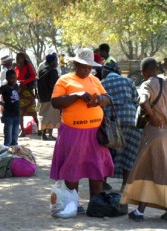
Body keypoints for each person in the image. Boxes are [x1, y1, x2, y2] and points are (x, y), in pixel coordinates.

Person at [50, 48, 114, 210]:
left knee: (96, 168)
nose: (85, 70)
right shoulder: (64, 80)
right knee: (73, 168)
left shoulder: (94, 80)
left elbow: (108, 99)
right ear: (75, 65)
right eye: (82, 66)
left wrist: (99, 99)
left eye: (88, 67)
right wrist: (76, 96)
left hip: (95, 133)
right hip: (73, 132)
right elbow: (56, 103)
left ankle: (96, 203)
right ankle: (73, 203)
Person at [121, 57, 167, 222]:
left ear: (144, 72)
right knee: (162, 171)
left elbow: (142, 101)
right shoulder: (165, 83)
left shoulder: (148, 84)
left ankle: (140, 212)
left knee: (147, 171)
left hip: (154, 133)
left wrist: (153, 116)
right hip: (166, 133)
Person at [101, 61, 141, 192]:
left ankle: (104, 183)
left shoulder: (102, 84)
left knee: (109, 151)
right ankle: (125, 185)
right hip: (131, 119)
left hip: (112, 122)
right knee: (129, 152)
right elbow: (136, 100)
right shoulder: (128, 81)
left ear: (106, 72)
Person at [0, 70, 20, 146]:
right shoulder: (4, 88)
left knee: (15, 136)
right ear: (7, 78)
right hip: (8, 115)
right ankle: (6, 154)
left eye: (15, 78)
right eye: (11, 78)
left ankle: (13, 154)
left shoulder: (16, 86)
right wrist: (2, 103)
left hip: (17, 115)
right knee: (8, 137)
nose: (13, 80)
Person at [14, 52, 40, 137]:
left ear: (24, 58)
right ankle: (23, 131)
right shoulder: (16, 68)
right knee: (20, 112)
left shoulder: (28, 66)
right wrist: (18, 82)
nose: (18, 59)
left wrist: (24, 82)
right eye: (17, 58)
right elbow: (15, 78)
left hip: (28, 91)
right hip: (20, 92)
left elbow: (33, 76)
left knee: (32, 111)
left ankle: (39, 129)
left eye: (20, 58)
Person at [37, 53, 61, 141]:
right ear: (52, 62)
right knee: (52, 116)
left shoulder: (42, 70)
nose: (57, 62)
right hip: (51, 97)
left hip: (42, 97)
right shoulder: (53, 71)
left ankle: (43, 134)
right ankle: (50, 135)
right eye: (56, 61)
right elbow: (53, 85)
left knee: (43, 115)